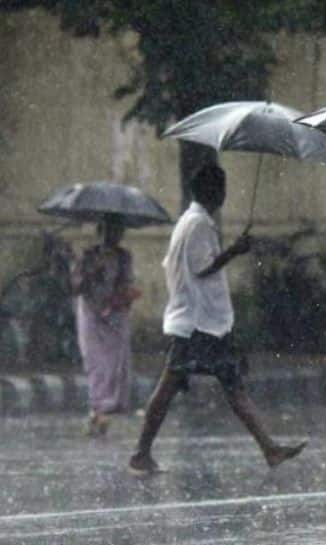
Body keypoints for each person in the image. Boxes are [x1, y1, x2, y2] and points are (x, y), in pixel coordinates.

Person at [128, 165, 306, 475]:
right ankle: (141, 452)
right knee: (175, 387)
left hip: (201, 323)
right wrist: (235, 251)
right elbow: (202, 267)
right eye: (222, 188)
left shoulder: (192, 221)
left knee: (228, 385)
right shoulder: (198, 224)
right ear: (213, 191)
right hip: (197, 325)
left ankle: (269, 448)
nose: (224, 194)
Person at [72, 215, 139, 436]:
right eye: (111, 230)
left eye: (118, 231)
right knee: (96, 362)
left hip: (114, 315)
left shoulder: (123, 257)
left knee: (114, 363)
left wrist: (121, 295)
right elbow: (75, 285)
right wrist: (92, 272)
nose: (115, 236)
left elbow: (128, 282)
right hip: (91, 313)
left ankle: (106, 409)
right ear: (101, 231)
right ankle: (98, 408)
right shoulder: (87, 255)